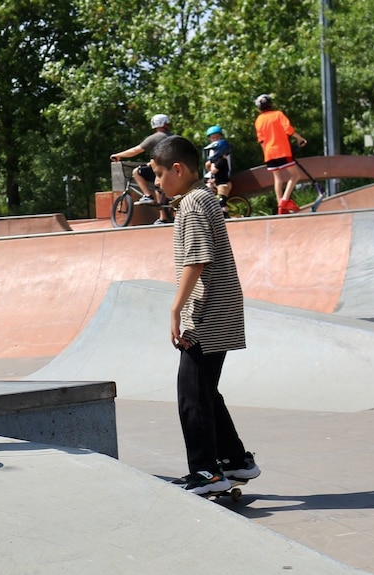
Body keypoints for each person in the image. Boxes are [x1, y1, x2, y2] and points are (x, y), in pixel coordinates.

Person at [148, 135, 260, 495]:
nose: (156, 183)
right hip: (222, 308)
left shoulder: (193, 206)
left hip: (207, 313)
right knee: (206, 391)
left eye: (159, 174)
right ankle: (235, 460)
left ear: (177, 170)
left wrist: (175, 309)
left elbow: (197, 259)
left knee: (191, 394)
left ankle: (206, 472)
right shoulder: (202, 198)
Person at [110, 114, 174, 224]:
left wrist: (119, 155)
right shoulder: (173, 137)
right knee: (158, 188)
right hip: (172, 168)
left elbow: (136, 150)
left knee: (137, 172)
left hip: (161, 168)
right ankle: (163, 218)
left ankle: (147, 195)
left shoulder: (156, 137)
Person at [253, 94, 308, 215]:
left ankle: (281, 207)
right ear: (271, 104)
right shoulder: (278, 114)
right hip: (282, 150)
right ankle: (284, 200)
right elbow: (288, 129)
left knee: (278, 179)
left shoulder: (258, 120)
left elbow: (261, 140)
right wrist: (300, 138)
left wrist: (266, 154)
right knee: (295, 175)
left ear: (259, 109)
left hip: (269, 153)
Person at [203, 125, 233, 217]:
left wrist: (211, 167)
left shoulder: (222, 151)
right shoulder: (213, 150)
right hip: (216, 177)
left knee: (221, 201)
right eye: (213, 138)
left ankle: (224, 214)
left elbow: (215, 167)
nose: (215, 139)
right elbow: (209, 165)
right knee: (205, 187)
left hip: (223, 179)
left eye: (217, 137)